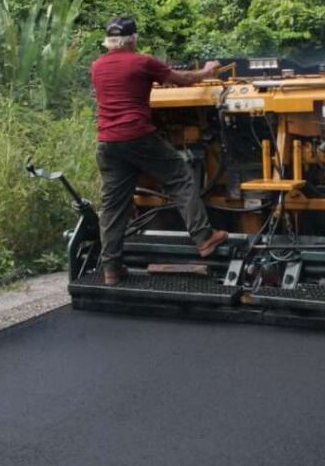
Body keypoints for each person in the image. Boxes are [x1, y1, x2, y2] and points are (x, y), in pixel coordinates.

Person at [91, 16, 228, 285]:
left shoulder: (96, 66)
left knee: (113, 206)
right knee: (180, 177)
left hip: (107, 143)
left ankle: (111, 269)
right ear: (133, 39)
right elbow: (184, 79)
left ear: (108, 41)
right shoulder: (142, 61)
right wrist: (208, 71)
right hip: (138, 137)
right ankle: (204, 238)